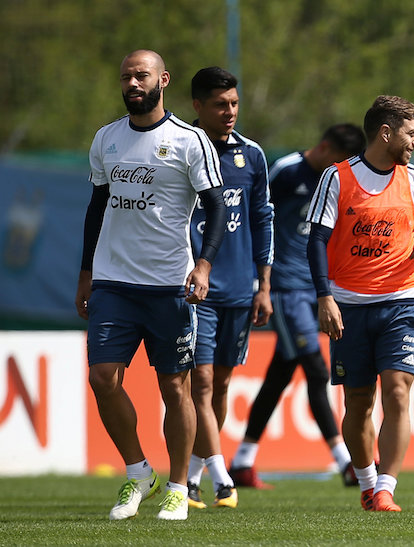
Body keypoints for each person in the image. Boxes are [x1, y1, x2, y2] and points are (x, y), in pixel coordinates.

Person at [75, 49, 226, 521]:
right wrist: (86, 272)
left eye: (141, 75)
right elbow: (97, 206)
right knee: (102, 378)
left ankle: (179, 485)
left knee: (175, 388)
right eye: (126, 77)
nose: (132, 84)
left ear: (163, 79)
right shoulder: (106, 139)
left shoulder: (190, 140)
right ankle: (139, 471)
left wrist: (203, 267)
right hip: (114, 283)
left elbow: (217, 208)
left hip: (169, 285)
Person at [306, 96, 414, 512]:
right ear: (386, 133)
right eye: (411, 133)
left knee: (398, 391)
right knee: (359, 402)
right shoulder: (336, 178)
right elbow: (315, 241)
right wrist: (324, 297)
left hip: (402, 300)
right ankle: (366, 483)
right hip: (348, 306)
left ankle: (386, 487)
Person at [229, 124, 366, 489]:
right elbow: (255, 217)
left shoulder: (336, 178)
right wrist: (261, 280)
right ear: (323, 148)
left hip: (314, 289)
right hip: (285, 290)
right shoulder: (287, 171)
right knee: (318, 372)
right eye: (338, 160)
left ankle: (242, 462)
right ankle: (347, 462)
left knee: (279, 378)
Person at [184, 66, 275, 510]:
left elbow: (263, 219)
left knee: (220, 384)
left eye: (235, 103)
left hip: (241, 289)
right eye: (221, 104)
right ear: (198, 107)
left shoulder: (252, 155)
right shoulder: (182, 149)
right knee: (199, 380)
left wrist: (264, 285)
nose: (230, 112)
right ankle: (222, 478)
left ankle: (191, 476)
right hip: (194, 289)